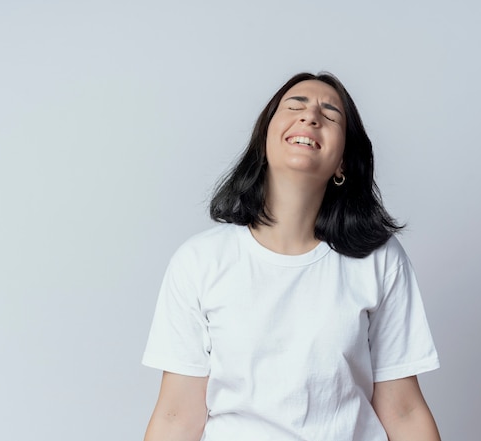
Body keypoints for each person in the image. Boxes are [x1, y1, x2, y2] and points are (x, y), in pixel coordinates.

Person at [142, 72, 441, 441]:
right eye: (295, 106)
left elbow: (405, 411)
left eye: (330, 115)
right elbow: (176, 417)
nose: (311, 117)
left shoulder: (379, 259)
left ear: (343, 162)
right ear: (265, 139)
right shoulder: (200, 262)